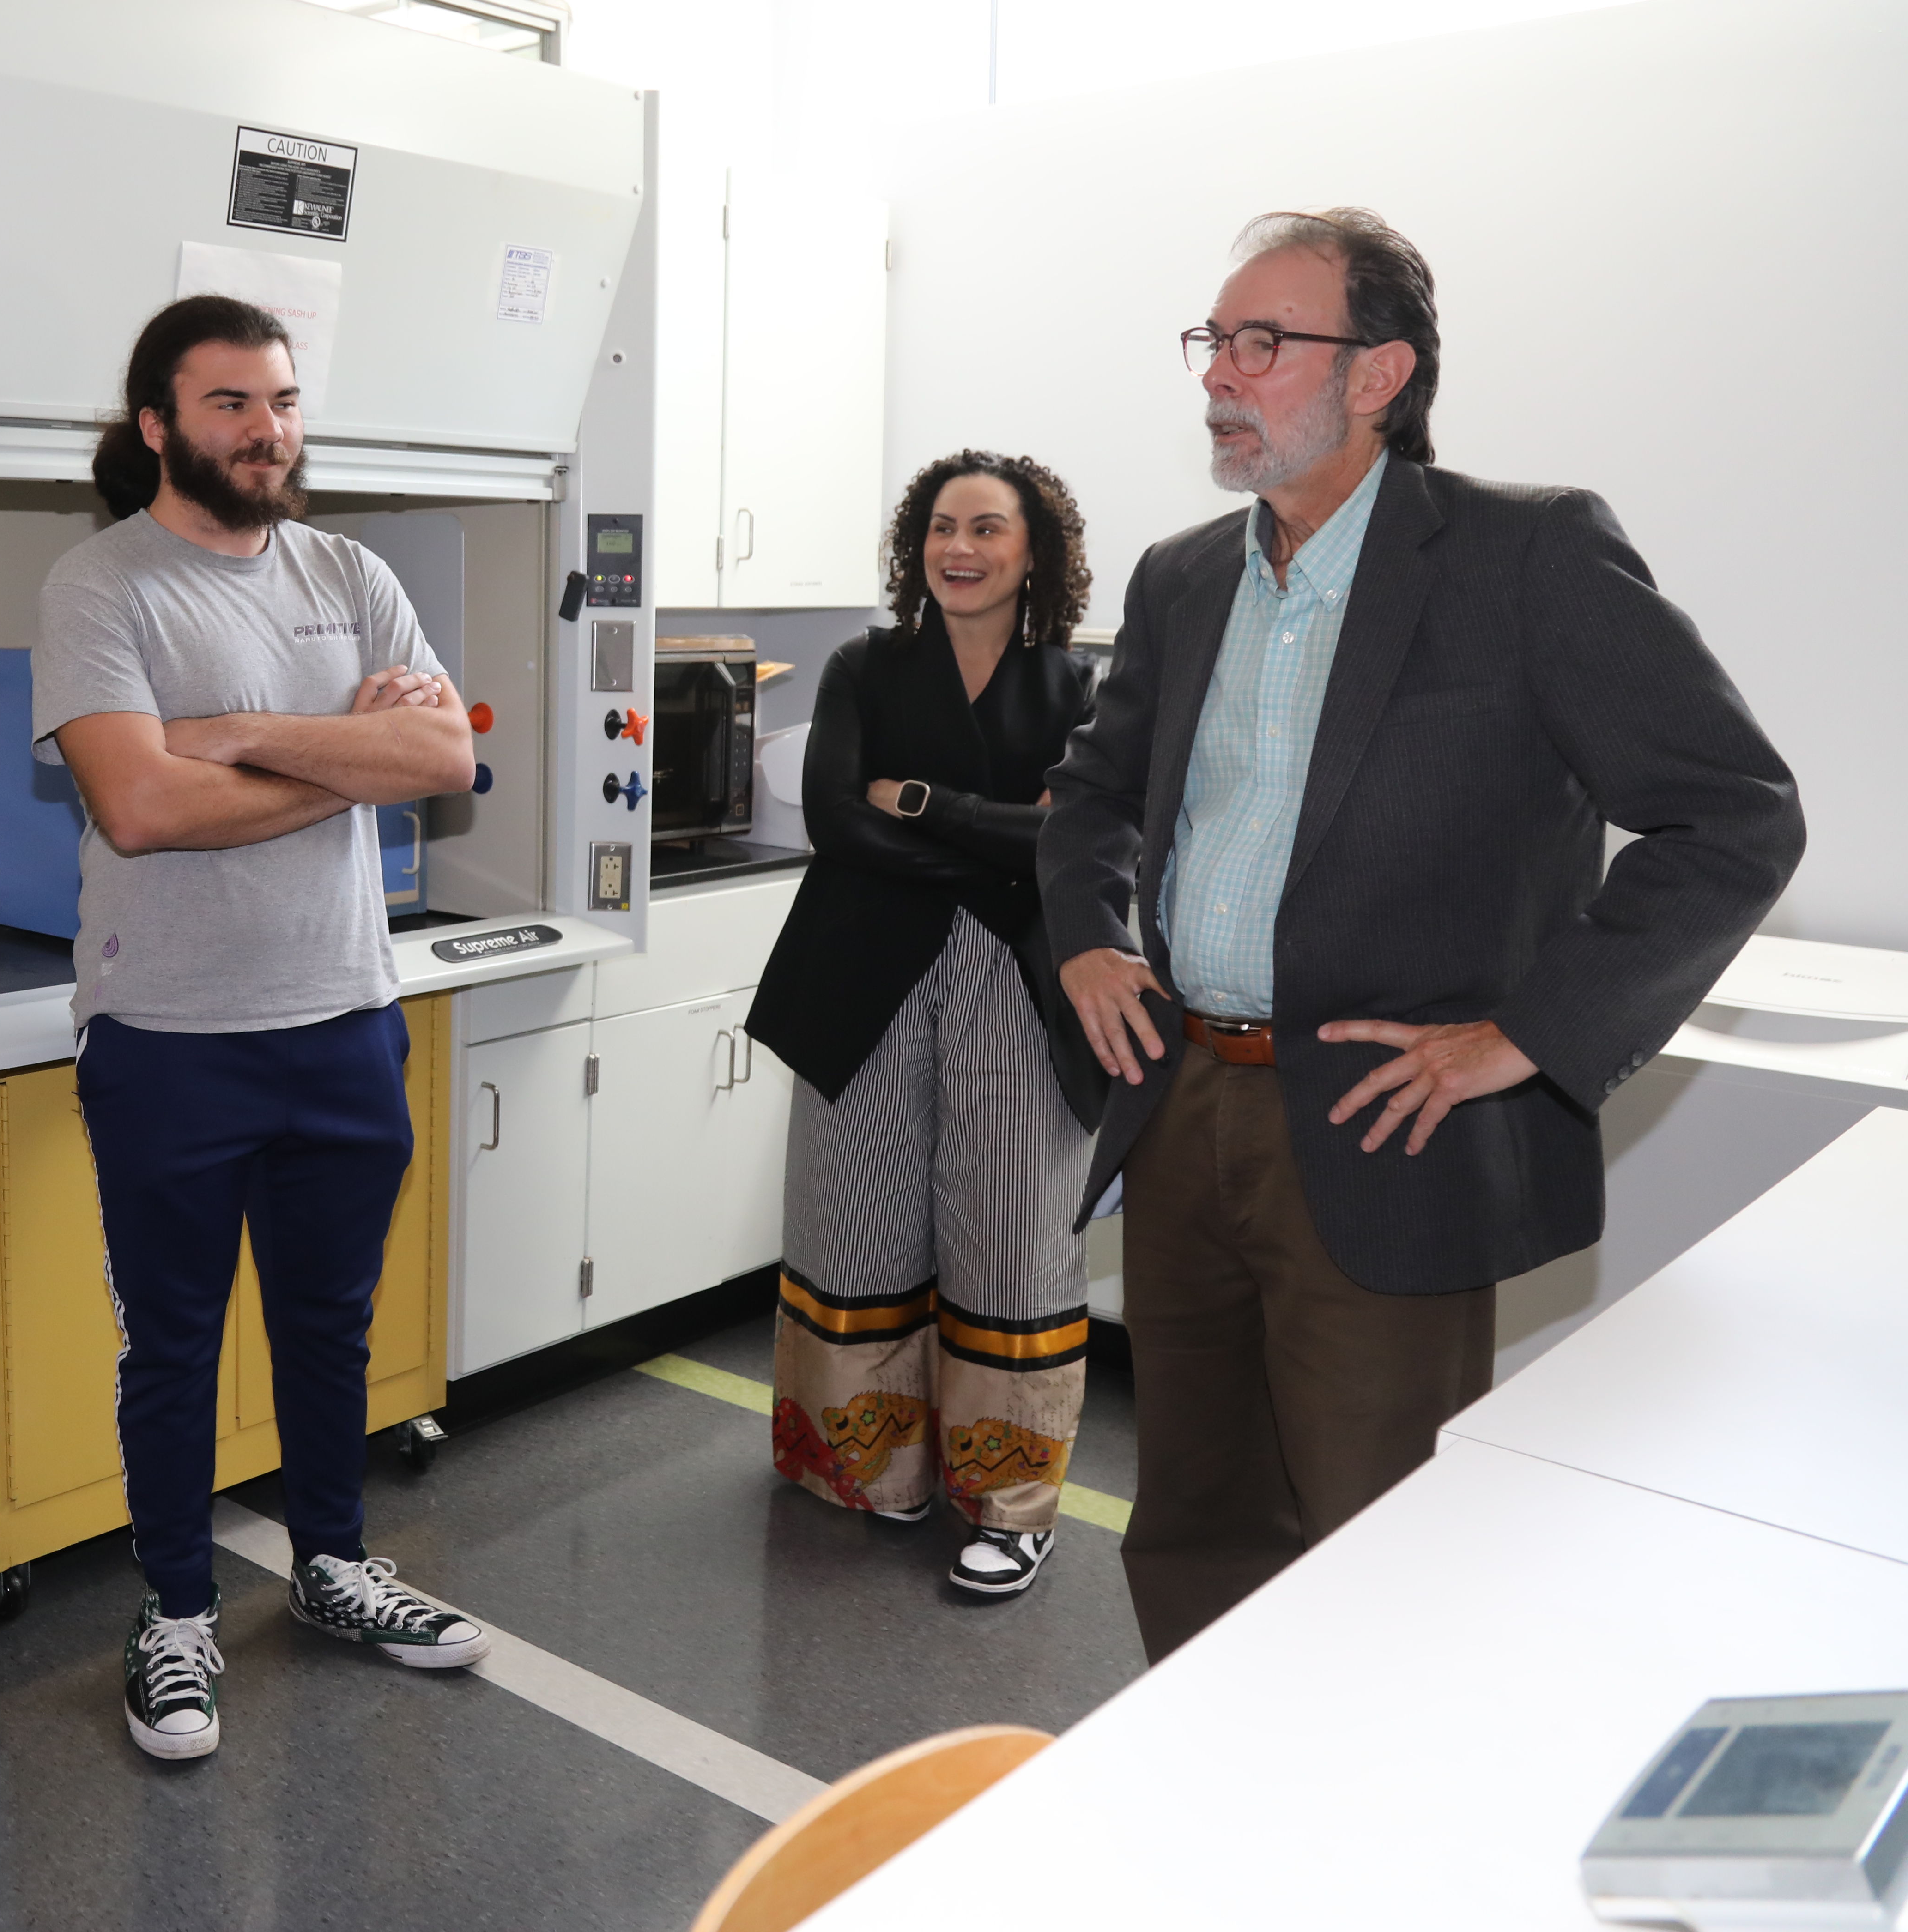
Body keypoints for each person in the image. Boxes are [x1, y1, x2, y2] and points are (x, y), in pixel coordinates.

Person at [1041, 210, 1802, 1660]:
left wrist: (1529, 1037)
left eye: (1265, 343)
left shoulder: (1526, 559)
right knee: (1195, 1510)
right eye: (1215, 340)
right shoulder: (1184, 576)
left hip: (1384, 1126)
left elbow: (1734, 814)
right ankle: (1215, 1791)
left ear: (1378, 372)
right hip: (1182, 1100)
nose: (1221, 373)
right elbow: (1090, 794)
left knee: (1379, 1539)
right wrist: (1088, 932)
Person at [36, 294, 489, 1762]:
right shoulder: (103, 587)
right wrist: (346, 763)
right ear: (160, 422)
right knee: (170, 1346)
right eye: (232, 403)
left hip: (346, 1019)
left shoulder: (349, 571)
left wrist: (233, 733)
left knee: (330, 1329)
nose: (266, 431)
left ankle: (336, 1568)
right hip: (169, 1036)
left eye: (284, 401)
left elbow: (446, 757)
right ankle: (175, 1614)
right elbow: (141, 805)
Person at [745, 451, 1106, 1597]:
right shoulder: (865, 664)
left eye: (988, 528)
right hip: (861, 968)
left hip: (1019, 969)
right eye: (943, 527)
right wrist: (996, 835)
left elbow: (1080, 835)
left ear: (1033, 549)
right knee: (854, 1215)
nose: (961, 547)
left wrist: (928, 804)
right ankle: (866, 1468)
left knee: (1012, 1225)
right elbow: (837, 822)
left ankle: (1007, 1500)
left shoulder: (1082, 685)